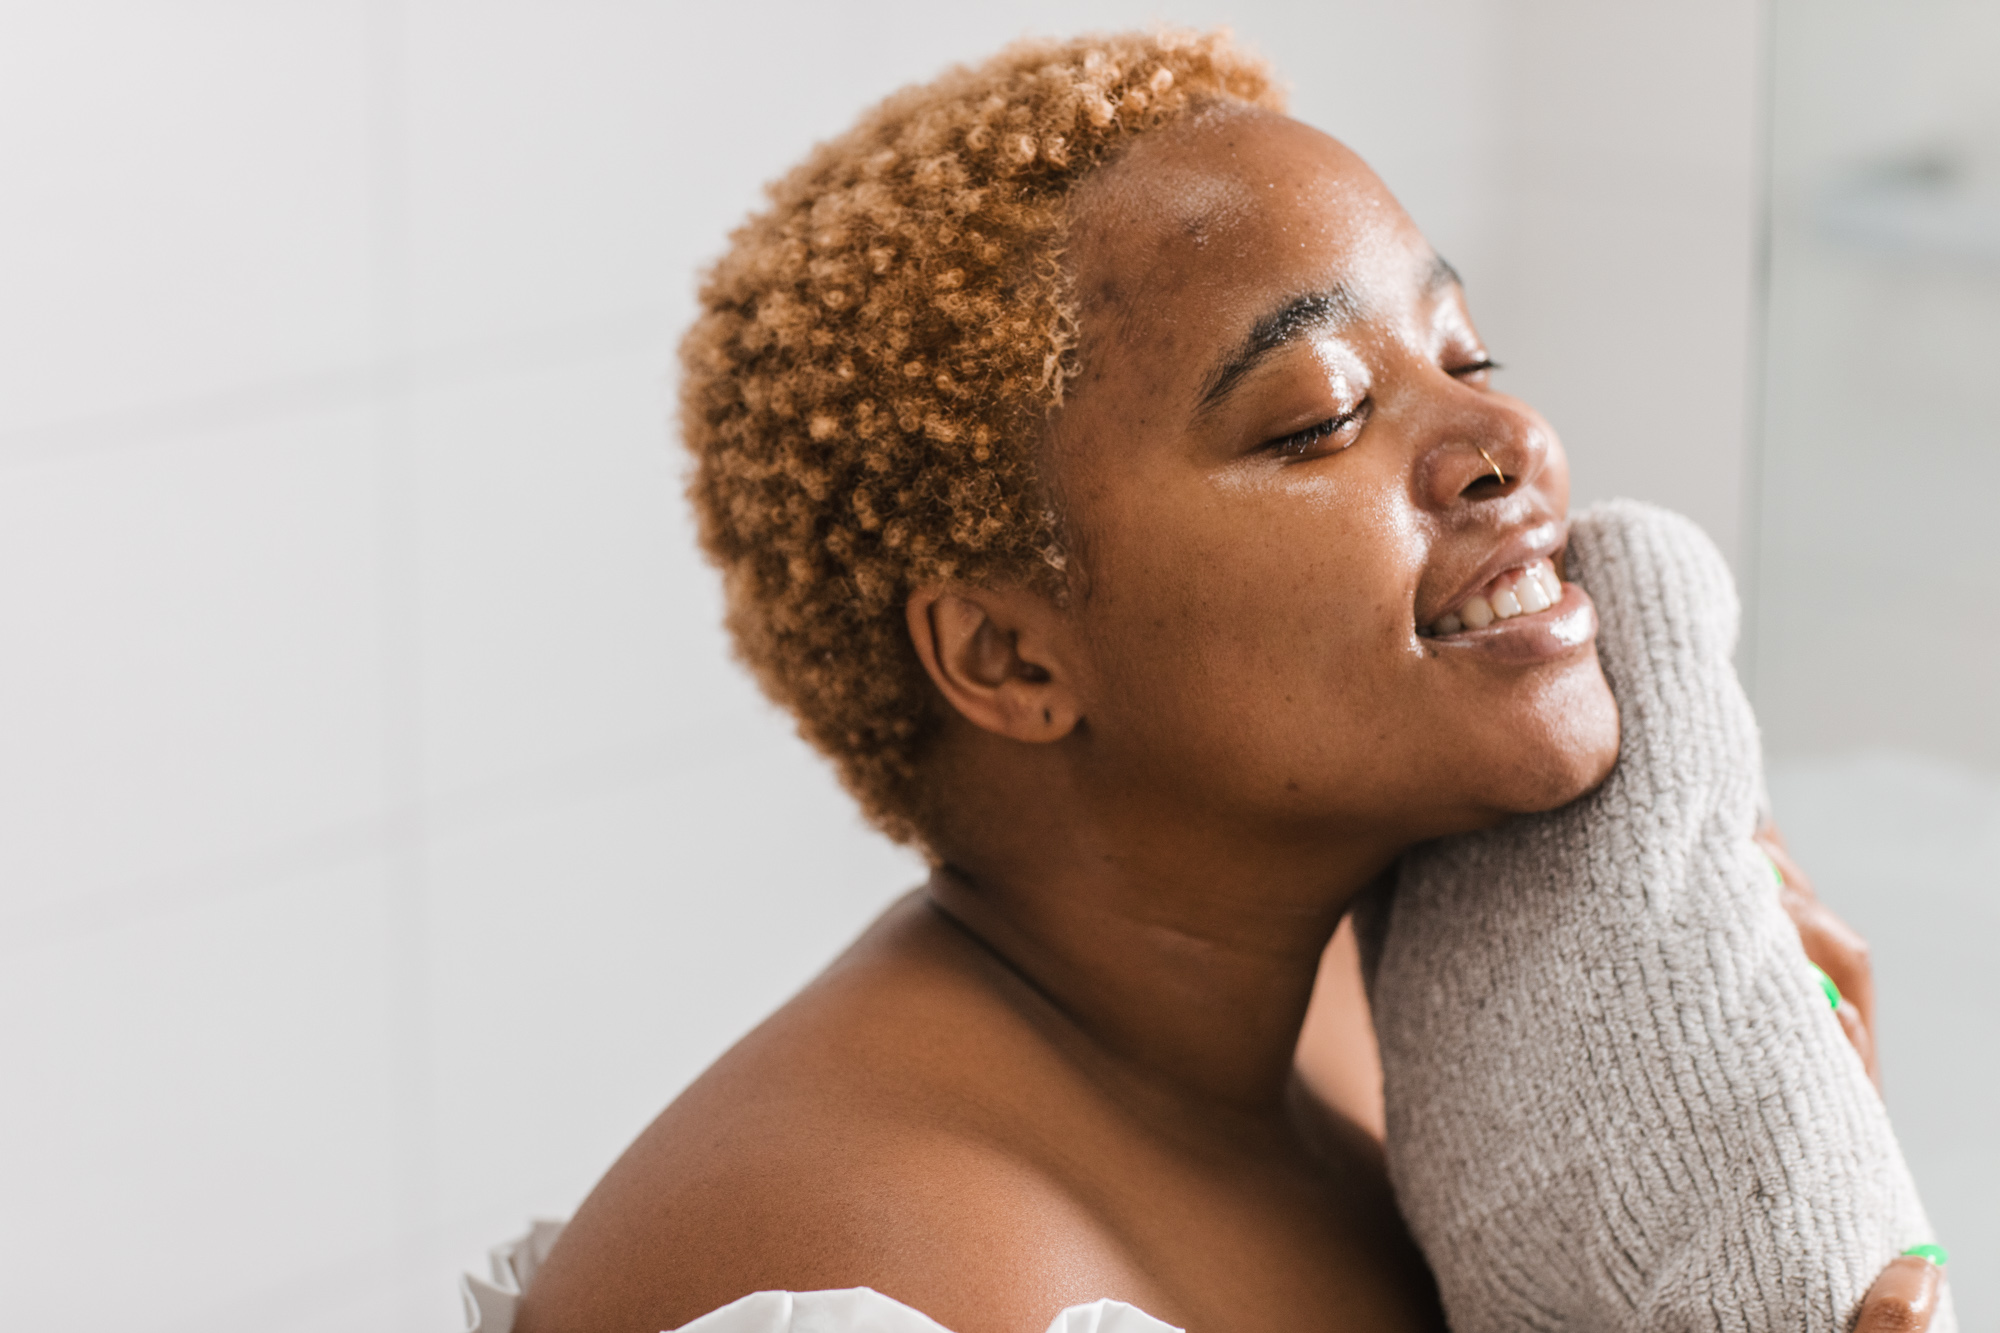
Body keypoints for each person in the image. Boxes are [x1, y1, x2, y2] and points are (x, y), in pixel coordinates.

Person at [511, 29, 1942, 1333]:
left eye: (1465, 350)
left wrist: (1774, 1183)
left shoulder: (1416, 1009)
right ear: (1008, 654)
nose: (1505, 433)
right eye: (1323, 416)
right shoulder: (887, 1268)